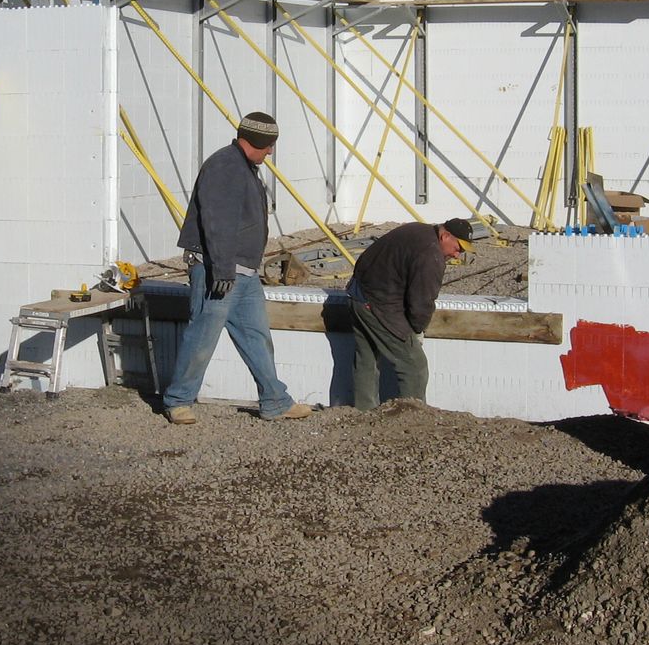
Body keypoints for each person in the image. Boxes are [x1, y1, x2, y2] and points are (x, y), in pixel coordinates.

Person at [162, 112, 313, 425]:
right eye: (269, 145)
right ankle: (178, 401)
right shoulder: (225, 167)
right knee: (202, 337)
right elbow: (217, 224)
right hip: (218, 271)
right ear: (256, 141)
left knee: (256, 337)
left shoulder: (244, 167)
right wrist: (222, 271)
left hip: (241, 273)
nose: (270, 152)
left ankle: (275, 400)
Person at [345, 218, 475, 410]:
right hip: (378, 304)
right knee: (414, 365)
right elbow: (421, 301)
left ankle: (364, 414)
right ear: (445, 235)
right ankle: (411, 421)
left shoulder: (417, 229)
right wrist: (417, 330)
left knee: (367, 358)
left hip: (358, 294)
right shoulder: (431, 256)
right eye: (458, 247)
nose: (457, 254)